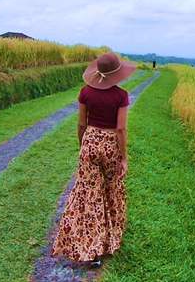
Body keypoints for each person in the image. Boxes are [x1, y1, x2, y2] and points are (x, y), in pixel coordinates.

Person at [51, 52, 136, 268]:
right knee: (111, 190)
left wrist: (84, 146)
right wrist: (124, 157)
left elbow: (81, 124)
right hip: (110, 145)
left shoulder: (85, 92)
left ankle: (88, 247)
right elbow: (121, 129)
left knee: (89, 195)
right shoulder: (121, 96)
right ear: (117, 73)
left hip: (90, 141)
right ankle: (108, 241)